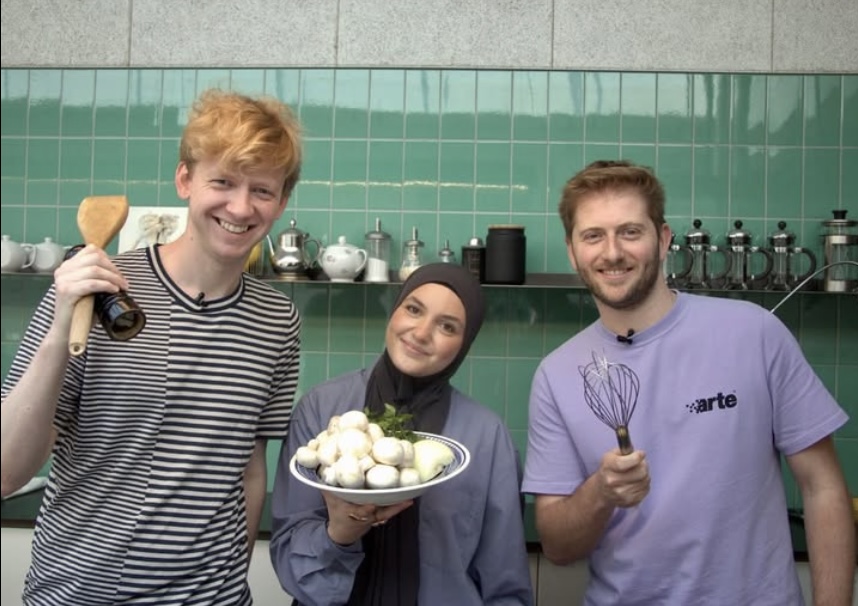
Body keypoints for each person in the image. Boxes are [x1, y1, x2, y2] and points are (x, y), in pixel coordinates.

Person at [0, 89, 303, 605]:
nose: (240, 207)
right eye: (222, 182)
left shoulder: (277, 320)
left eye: (262, 190)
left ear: (281, 203)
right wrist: (60, 323)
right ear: (185, 180)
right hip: (80, 594)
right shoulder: (99, 289)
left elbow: (249, 466)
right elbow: (6, 473)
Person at [522, 160, 855, 605]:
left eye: (630, 232)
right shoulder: (556, 375)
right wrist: (601, 492)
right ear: (572, 250)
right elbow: (559, 547)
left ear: (663, 239)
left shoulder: (754, 333)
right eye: (593, 236)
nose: (612, 252)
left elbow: (823, 488)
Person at [269, 262, 534, 605]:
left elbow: (505, 585)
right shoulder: (322, 410)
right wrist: (340, 533)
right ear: (394, 311)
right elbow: (289, 561)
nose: (421, 333)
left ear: (464, 344)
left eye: (447, 326)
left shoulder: (487, 438)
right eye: (413, 309)